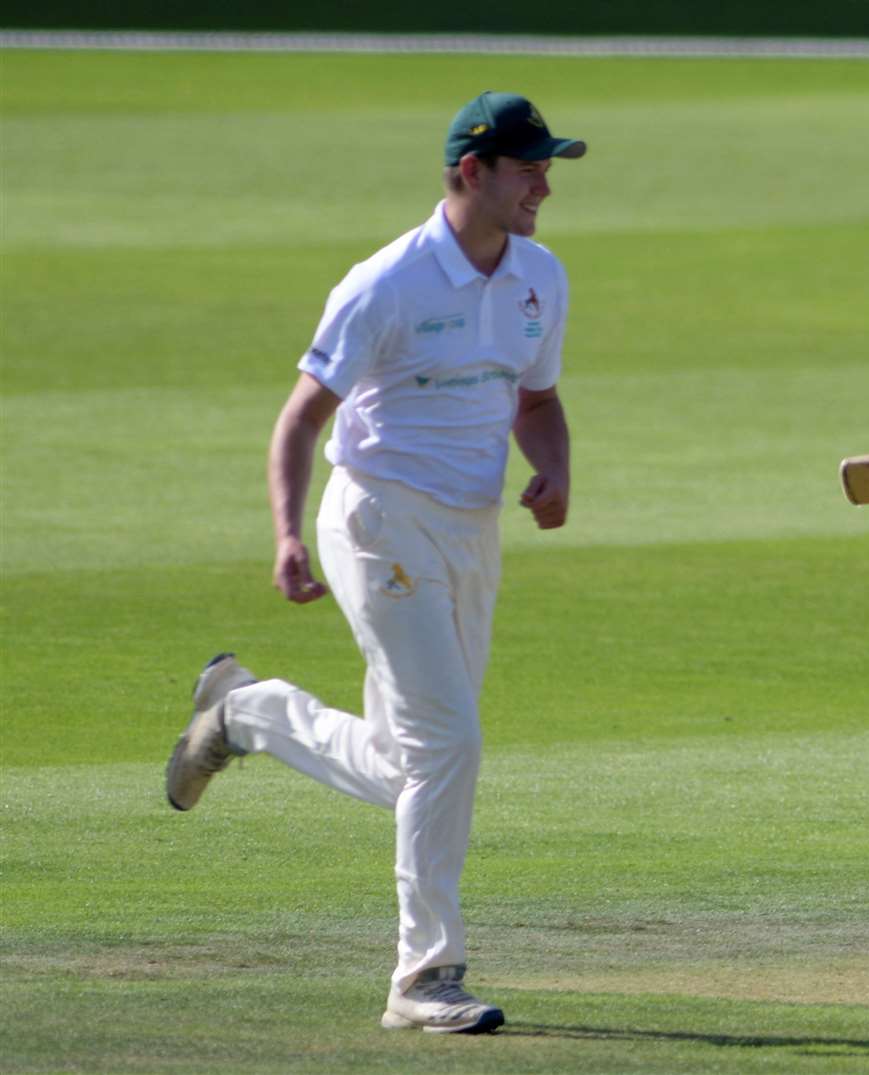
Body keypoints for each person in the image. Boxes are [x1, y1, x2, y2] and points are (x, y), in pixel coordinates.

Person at [164, 91, 584, 1034]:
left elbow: (537, 399)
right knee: (451, 749)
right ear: (471, 171)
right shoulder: (386, 283)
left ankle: (246, 711)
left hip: (473, 529)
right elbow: (301, 419)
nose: (545, 187)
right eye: (529, 169)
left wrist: (554, 469)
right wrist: (284, 532)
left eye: (547, 168)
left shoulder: (540, 277)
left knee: (413, 766)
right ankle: (423, 975)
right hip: (380, 521)